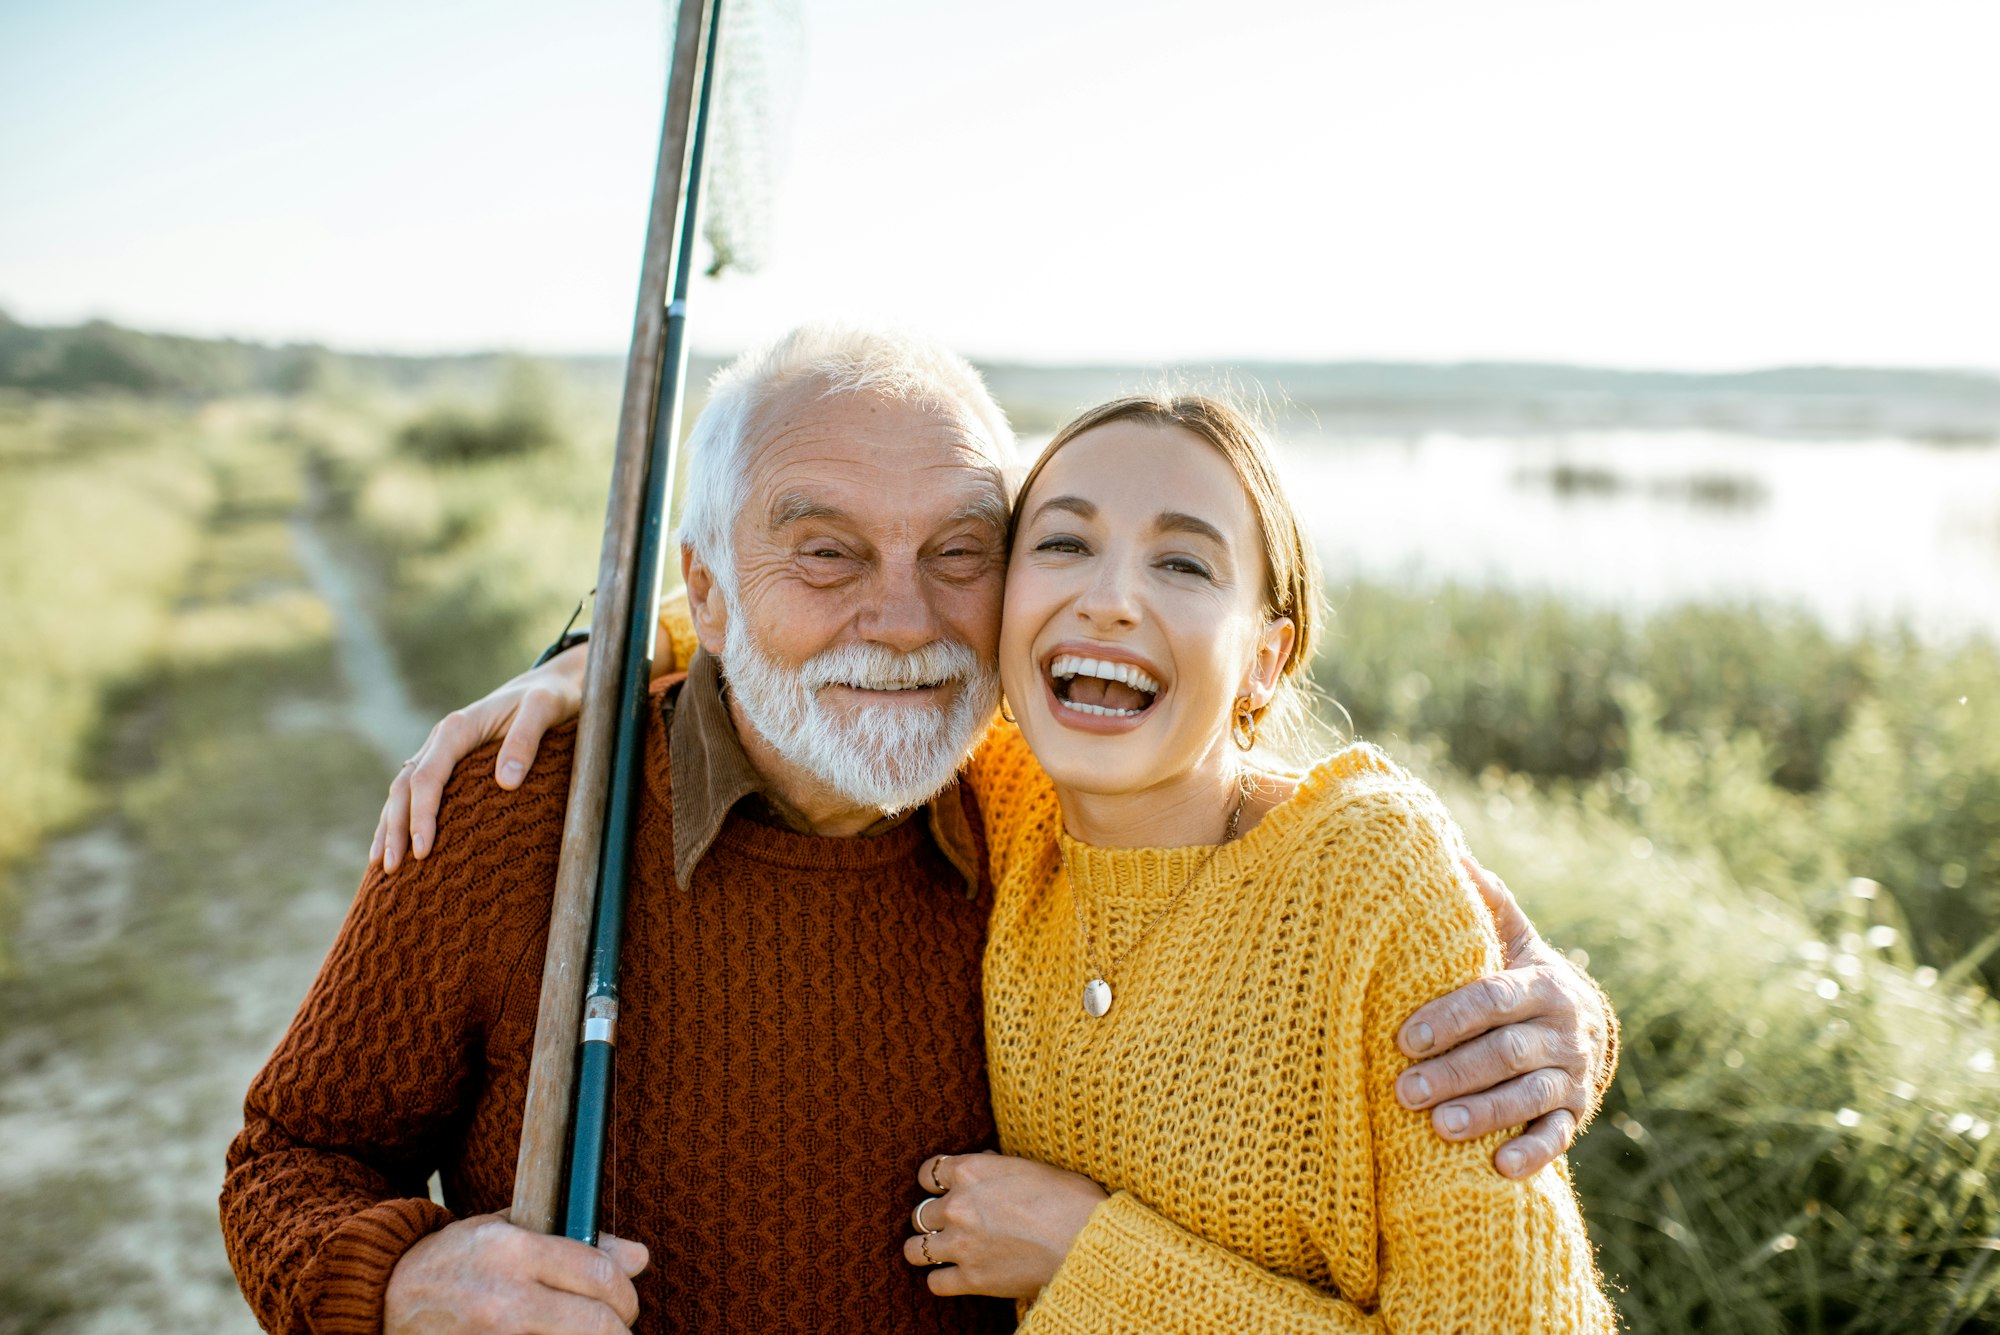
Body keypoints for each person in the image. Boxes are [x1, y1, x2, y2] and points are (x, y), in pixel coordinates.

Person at [228, 325, 1613, 1335]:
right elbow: (287, 1154)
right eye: (826, 549)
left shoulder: (1019, 794)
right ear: (706, 592)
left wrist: (1572, 1015)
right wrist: (402, 1280)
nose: (902, 615)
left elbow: (1363, 907)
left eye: (959, 550)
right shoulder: (527, 809)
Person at [895, 394, 1615, 1328]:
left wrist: (1089, 1259)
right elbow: (763, 624)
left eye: (1184, 562)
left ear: (1264, 660)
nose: (1108, 598)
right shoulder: (1011, 797)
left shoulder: (1367, 875)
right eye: (1064, 544)